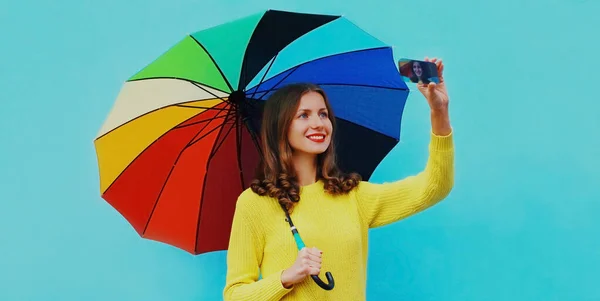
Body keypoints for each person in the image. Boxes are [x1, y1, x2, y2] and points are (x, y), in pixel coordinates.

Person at [223, 57, 454, 300]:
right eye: (303, 115)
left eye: (323, 114)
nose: (318, 124)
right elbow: (235, 295)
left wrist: (439, 112)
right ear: (281, 127)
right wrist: (286, 277)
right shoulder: (253, 204)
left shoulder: (353, 196)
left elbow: (435, 186)